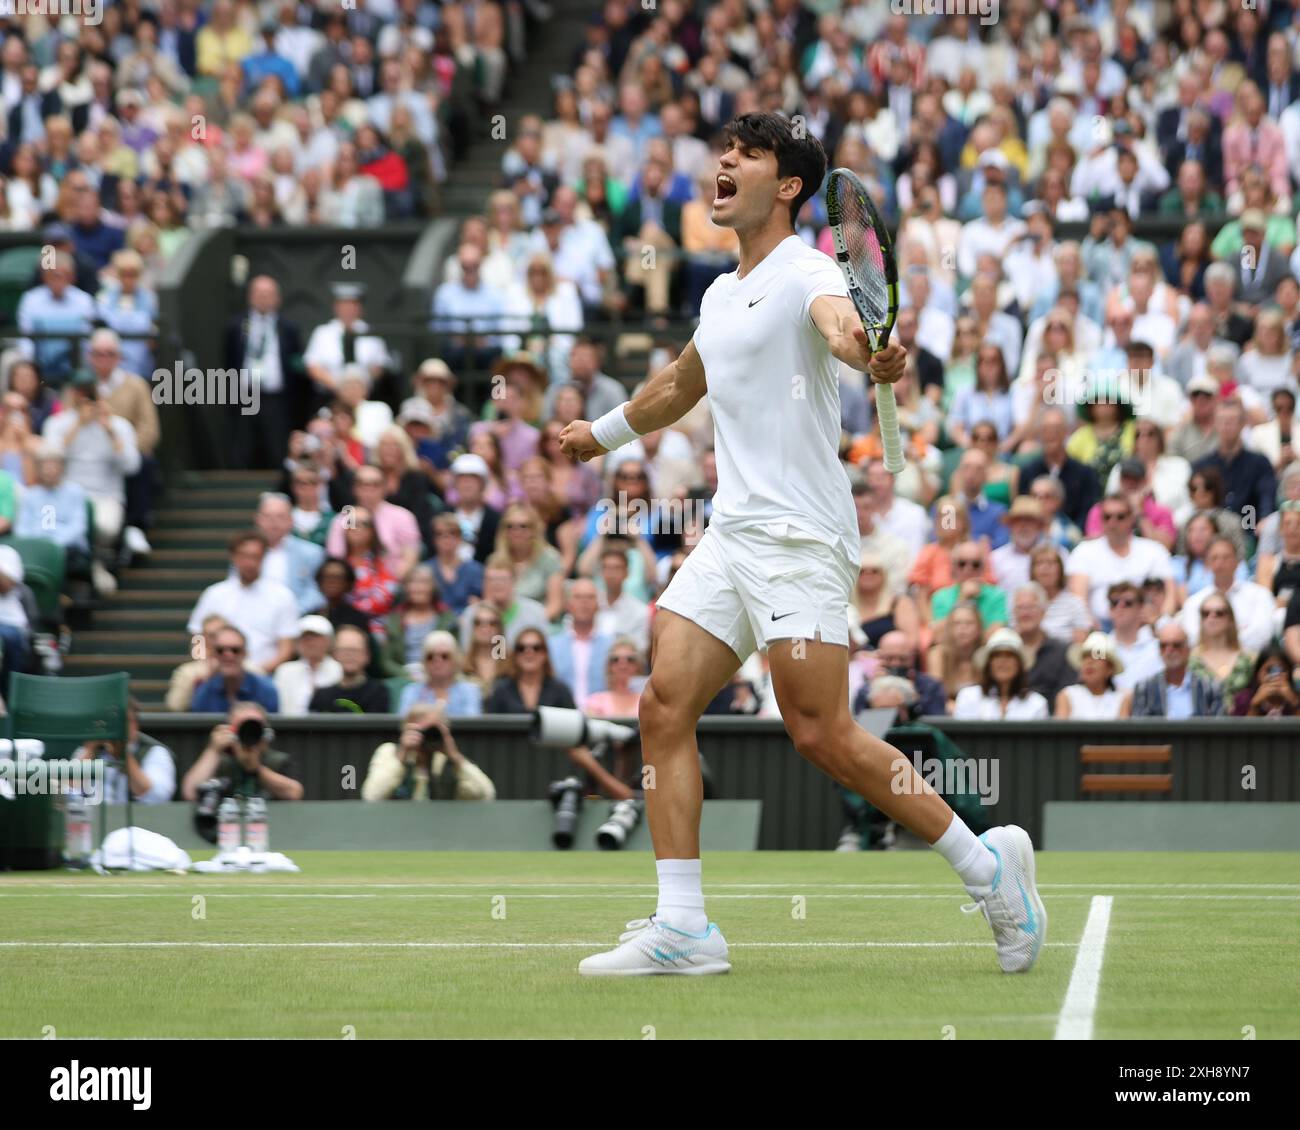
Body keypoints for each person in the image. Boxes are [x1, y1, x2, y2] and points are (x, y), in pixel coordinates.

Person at [561, 113, 1044, 976]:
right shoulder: (717, 293)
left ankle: (989, 867)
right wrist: (598, 435)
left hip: (800, 536)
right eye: (725, 151)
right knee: (662, 707)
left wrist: (870, 353)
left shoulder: (811, 269)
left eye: (744, 155)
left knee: (820, 732)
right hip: (732, 533)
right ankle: (683, 927)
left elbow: (839, 328)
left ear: (786, 186)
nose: (724, 162)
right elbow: (678, 384)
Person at [223, 274, 305, 468]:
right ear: (250, 296)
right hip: (245, 394)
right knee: (242, 446)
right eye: (259, 293)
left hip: (275, 396)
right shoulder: (235, 326)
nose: (263, 298)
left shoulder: (288, 328)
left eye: (268, 294)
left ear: (278, 298)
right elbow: (228, 361)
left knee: (277, 446)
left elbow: (295, 363)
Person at [187, 532, 299, 672]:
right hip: (216, 674)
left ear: (264, 557)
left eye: (256, 556)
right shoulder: (214, 594)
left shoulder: (283, 596)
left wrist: (257, 674)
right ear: (233, 557)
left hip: (265, 676)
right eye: (244, 556)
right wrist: (203, 666)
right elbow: (197, 636)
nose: (250, 562)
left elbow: (286, 648)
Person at [1066, 494, 1174, 625]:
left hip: (1146, 628)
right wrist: (1093, 632)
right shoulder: (1084, 551)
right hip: (1100, 630)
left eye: (1120, 517)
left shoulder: (1154, 550)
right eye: (1107, 517)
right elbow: (1078, 600)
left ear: (1131, 518)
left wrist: (1160, 622)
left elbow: (1170, 595)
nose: (1113, 522)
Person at [361, 703, 496, 800]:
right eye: (421, 730)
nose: (426, 736)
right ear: (406, 729)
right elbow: (371, 795)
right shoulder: (390, 752)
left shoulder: (449, 761)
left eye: (433, 730)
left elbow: (486, 794)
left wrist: (455, 756)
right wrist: (402, 754)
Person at [180, 701, 304, 802]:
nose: (249, 733)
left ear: (266, 732)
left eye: (255, 727)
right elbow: (190, 793)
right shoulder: (219, 762)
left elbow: (295, 793)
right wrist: (213, 750)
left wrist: (256, 769)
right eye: (242, 728)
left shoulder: (278, 761)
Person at [1179, 537, 1277, 653]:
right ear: (1208, 563)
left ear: (1237, 562)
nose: (1220, 563)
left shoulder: (1260, 595)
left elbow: (1262, 633)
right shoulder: (1194, 602)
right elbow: (1192, 637)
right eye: (1214, 558)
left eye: (1226, 557)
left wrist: (1224, 645)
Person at [73, 698, 175, 804]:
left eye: (122, 721)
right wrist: (90, 749)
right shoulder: (85, 752)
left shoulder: (156, 753)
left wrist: (124, 755)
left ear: (135, 725)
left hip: (139, 819)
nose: (115, 727)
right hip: (93, 818)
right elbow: (66, 792)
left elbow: (158, 797)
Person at [1130, 622, 1224, 718]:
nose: (1169, 651)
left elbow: (1220, 729)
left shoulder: (1209, 688)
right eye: (1163, 646)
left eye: (1176, 645)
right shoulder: (1145, 689)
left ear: (1188, 649)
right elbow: (1138, 730)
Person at [953, 628, 1050, 720]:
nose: (1003, 661)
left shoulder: (1037, 703)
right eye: (997, 656)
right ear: (989, 663)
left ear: (1019, 664)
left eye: (1009, 656)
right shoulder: (968, 697)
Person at [547, 578, 613, 711]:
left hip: (602, 716)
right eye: (578, 597)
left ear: (598, 604)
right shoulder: (551, 645)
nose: (584, 602)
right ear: (568, 604)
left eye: (590, 597)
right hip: (561, 715)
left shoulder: (611, 646)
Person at [255, 492, 325, 615]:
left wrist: (292, 613)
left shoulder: (312, 552)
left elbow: (316, 591)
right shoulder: (247, 551)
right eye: (268, 516)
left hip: (297, 616)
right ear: (258, 520)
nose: (273, 522)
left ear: (291, 520)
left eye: (280, 516)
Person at [190, 624, 280, 713]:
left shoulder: (266, 690)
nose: (228, 655)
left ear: (245, 654)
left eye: (235, 650)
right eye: (220, 650)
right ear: (214, 654)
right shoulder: (205, 692)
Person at [1011, 583, 1077, 704]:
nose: (1025, 613)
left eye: (1031, 607)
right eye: (1020, 608)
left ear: (1044, 611)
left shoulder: (1062, 652)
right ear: (1013, 613)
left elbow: (1067, 696)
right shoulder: (1005, 651)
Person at [1186, 594, 1256, 701]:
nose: (1211, 617)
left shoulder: (1250, 658)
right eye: (1205, 613)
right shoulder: (1189, 660)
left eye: (1219, 613)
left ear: (1230, 619)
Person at [396, 629, 483, 716]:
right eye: (430, 656)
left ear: (455, 660)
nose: (437, 660)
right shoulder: (411, 691)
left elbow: (471, 724)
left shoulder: (469, 691)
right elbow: (404, 723)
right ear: (424, 663)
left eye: (444, 656)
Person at [307, 624, 390, 713]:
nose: (349, 655)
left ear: (367, 655)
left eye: (354, 650)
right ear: (334, 654)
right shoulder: (321, 695)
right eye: (344, 650)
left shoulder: (379, 692)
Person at [273, 616, 343, 716]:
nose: (310, 642)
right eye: (305, 638)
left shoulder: (339, 669)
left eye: (316, 637)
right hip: (290, 728)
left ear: (329, 641)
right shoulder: (285, 671)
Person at [929, 540, 1007, 630]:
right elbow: (939, 635)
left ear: (982, 568)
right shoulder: (940, 597)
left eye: (975, 564)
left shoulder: (996, 596)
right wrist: (963, 599)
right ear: (953, 567)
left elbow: (995, 636)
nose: (968, 569)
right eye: (962, 564)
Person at [1104, 581, 1163, 690]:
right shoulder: (1102, 649)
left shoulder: (1158, 647)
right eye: (1114, 602)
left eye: (1128, 603)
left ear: (1141, 608)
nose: (1119, 607)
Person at [1056, 633, 1131, 719]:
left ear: (1110, 668)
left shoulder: (1122, 698)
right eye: (1085, 657)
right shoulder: (1067, 695)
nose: (1089, 662)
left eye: (1097, 656)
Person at [1029, 543, 1092, 644]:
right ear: (1032, 570)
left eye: (1051, 563)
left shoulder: (1075, 604)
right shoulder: (1023, 603)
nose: (1045, 568)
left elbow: (1080, 644)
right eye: (1039, 563)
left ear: (1060, 569)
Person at [1232, 644, 1300, 717]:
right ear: (1257, 673)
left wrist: (1294, 702)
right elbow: (1239, 728)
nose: (1275, 676)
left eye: (1282, 670)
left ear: (1289, 674)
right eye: (1269, 670)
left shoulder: (1297, 698)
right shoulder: (1244, 699)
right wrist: (1255, 706)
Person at [584, 637, 644, 718]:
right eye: (616, 660)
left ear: (638, 665)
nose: (623, 665)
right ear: (609, 666)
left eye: (630, 659)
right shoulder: (596, 701)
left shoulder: (647, 701)